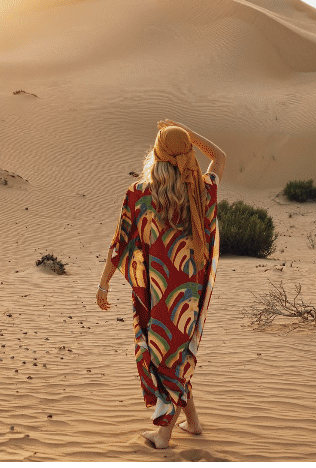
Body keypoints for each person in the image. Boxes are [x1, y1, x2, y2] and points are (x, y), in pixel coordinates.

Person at [96, 120, 226, 449]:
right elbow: (220, 156)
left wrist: (104, 284)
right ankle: (193, 423)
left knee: (167, 357)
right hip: (190, 294)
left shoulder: (140, 194)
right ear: (185, 155)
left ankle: (163, 436)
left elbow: (120, 243)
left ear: (157, 154)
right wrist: (186, 136)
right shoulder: (202, 189)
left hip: (158, 294)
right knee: (177, 353)